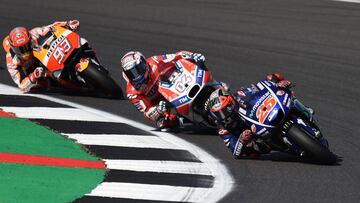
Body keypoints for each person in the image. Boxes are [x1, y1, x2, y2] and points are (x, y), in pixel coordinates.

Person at [207, 73, 315, 159]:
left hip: (264, 114)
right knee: (257, 149)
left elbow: (259, 87)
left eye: (224, 111)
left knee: (276, 80)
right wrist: (242, 141)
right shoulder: (223, 129)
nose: (223, 116)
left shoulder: (240, 95)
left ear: (231, 103)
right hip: (258, 137)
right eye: (218, 114)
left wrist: (277, 84)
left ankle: (304, 110)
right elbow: (235, 153)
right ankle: (288, 146)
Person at [121, 50, 207, 128]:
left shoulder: (154, 61)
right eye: (131, 74)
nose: (137, 76)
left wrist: (193, 55)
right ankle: (185, 121)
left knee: (193, 66)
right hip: (163, 103)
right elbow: (147, 112)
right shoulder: (132, 93)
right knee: (163, 123)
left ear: (144, 63)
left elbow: (176, 56)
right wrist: (158, 109)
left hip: (174, 86)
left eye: (138, 70)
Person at [2, 20, 80, 92]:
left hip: (46, 54)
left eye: (26, 45)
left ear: (30, 39)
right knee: (39, 86)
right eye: (20, 49)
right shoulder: (11, 62)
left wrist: (67, 24)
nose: (24, 50)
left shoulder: (34, 33)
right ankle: (75, 87)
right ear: (13, 48)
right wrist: (34, 75)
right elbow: (21, 85)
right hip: (36, 71)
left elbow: (52, 27)